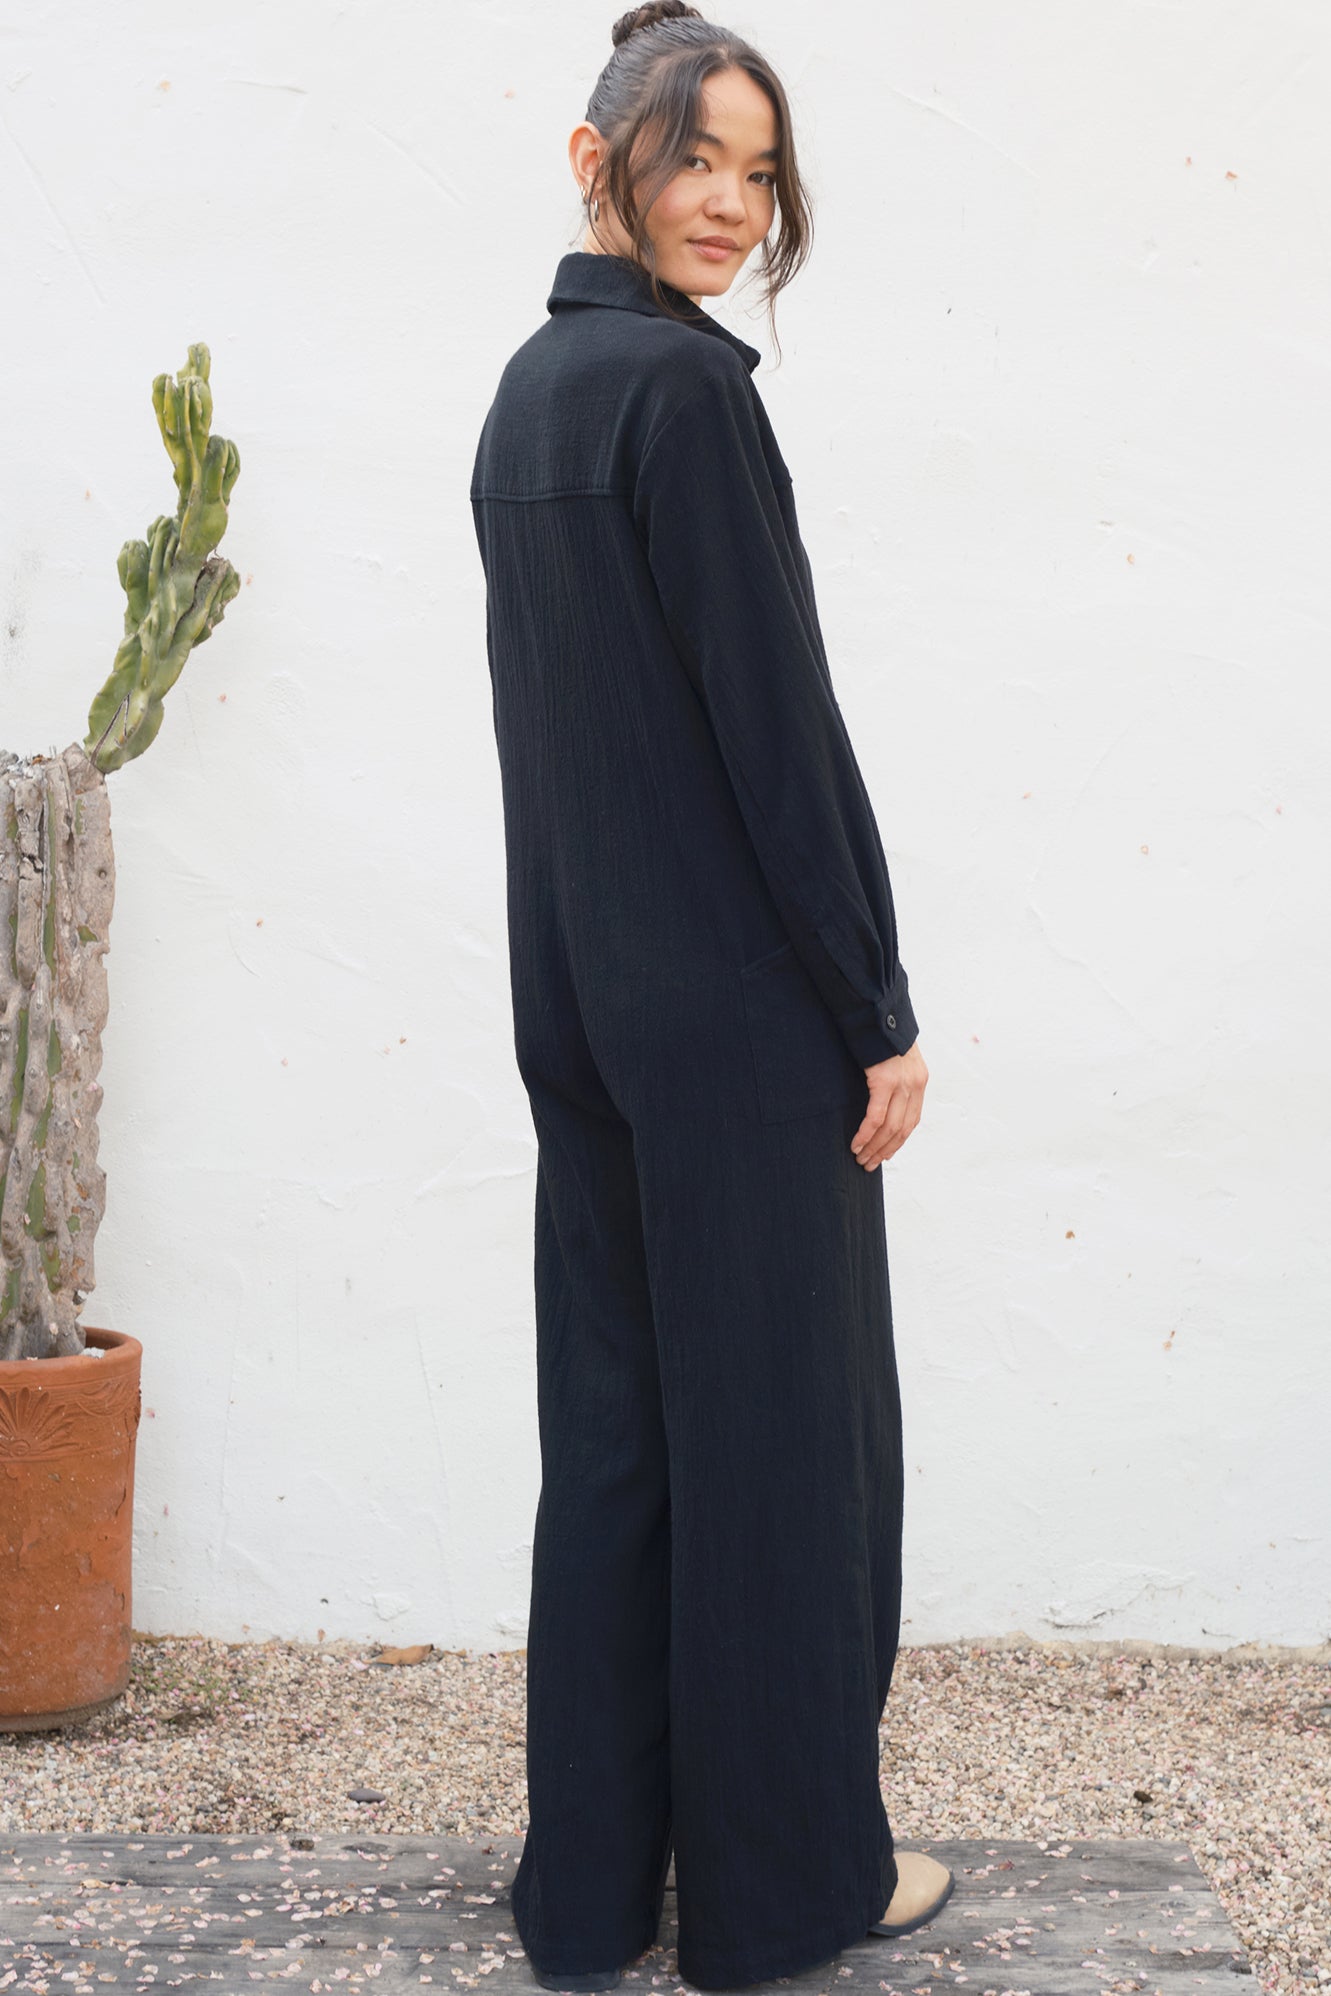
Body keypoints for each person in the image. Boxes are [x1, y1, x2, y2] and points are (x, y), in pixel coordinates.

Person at [469, 4, 953, 1987]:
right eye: (694, 158)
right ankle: (779, 1899)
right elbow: (780, 739)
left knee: (619, 1442)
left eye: (759, 170)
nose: (732, 204)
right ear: (596, 160)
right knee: (780, 1454)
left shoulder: (526, 399)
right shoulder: (686, 400)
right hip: (743, 1028)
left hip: (584, 1011)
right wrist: (874, 1000)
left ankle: (586, 1898)